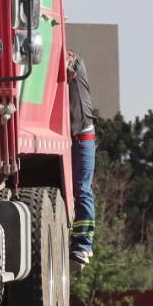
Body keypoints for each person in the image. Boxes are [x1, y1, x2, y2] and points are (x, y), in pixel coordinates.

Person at [67, 49, 96, 265]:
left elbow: (69, 66)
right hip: (67, 138)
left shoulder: (75, 60)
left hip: (83, 137)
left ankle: (84, 245)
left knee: (82, 189)